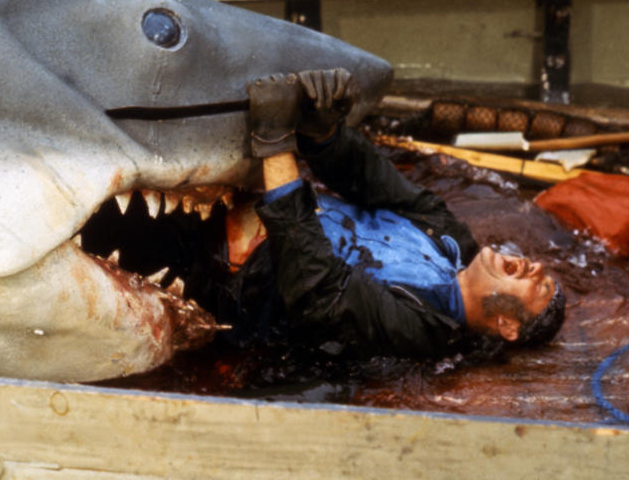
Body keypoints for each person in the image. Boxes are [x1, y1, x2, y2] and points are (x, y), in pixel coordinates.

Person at [187, 69, 565, 360]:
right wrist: (324, 131)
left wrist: (274, 140)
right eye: (541, 268)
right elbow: (373, 180)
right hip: (218, 200)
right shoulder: (452, 238)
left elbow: (316, 290)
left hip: (206, 265)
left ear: (507, 325)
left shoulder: (420, 330)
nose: (535, 267)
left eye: (540, 286)